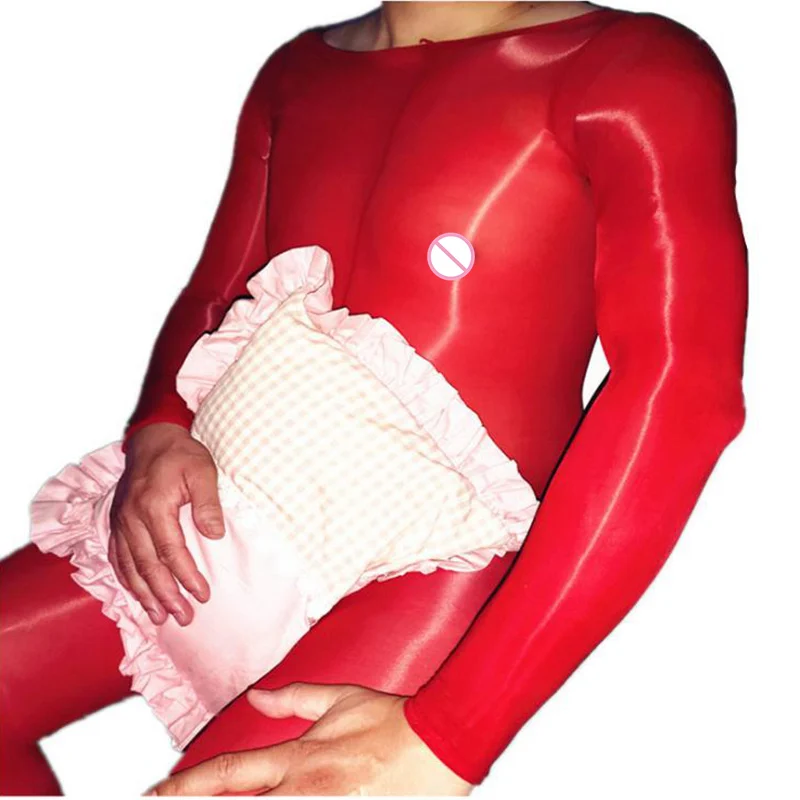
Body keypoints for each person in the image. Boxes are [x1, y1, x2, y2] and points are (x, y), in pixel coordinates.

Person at [0, 1, 748, 795]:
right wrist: (159, 424)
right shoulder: (297, 73)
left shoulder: (630, 70)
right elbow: (220, 288)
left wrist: (455, 731)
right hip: (204, 516)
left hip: (423, 568)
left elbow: (679, 389)